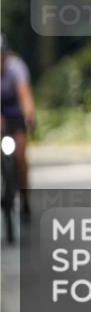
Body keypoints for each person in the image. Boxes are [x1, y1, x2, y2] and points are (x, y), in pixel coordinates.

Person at [0, 33, 36, 220]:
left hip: (16, 115)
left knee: (20, 155)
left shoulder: (16, 67)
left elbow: (25, 94)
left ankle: (24, 197)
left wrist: (30, 115)